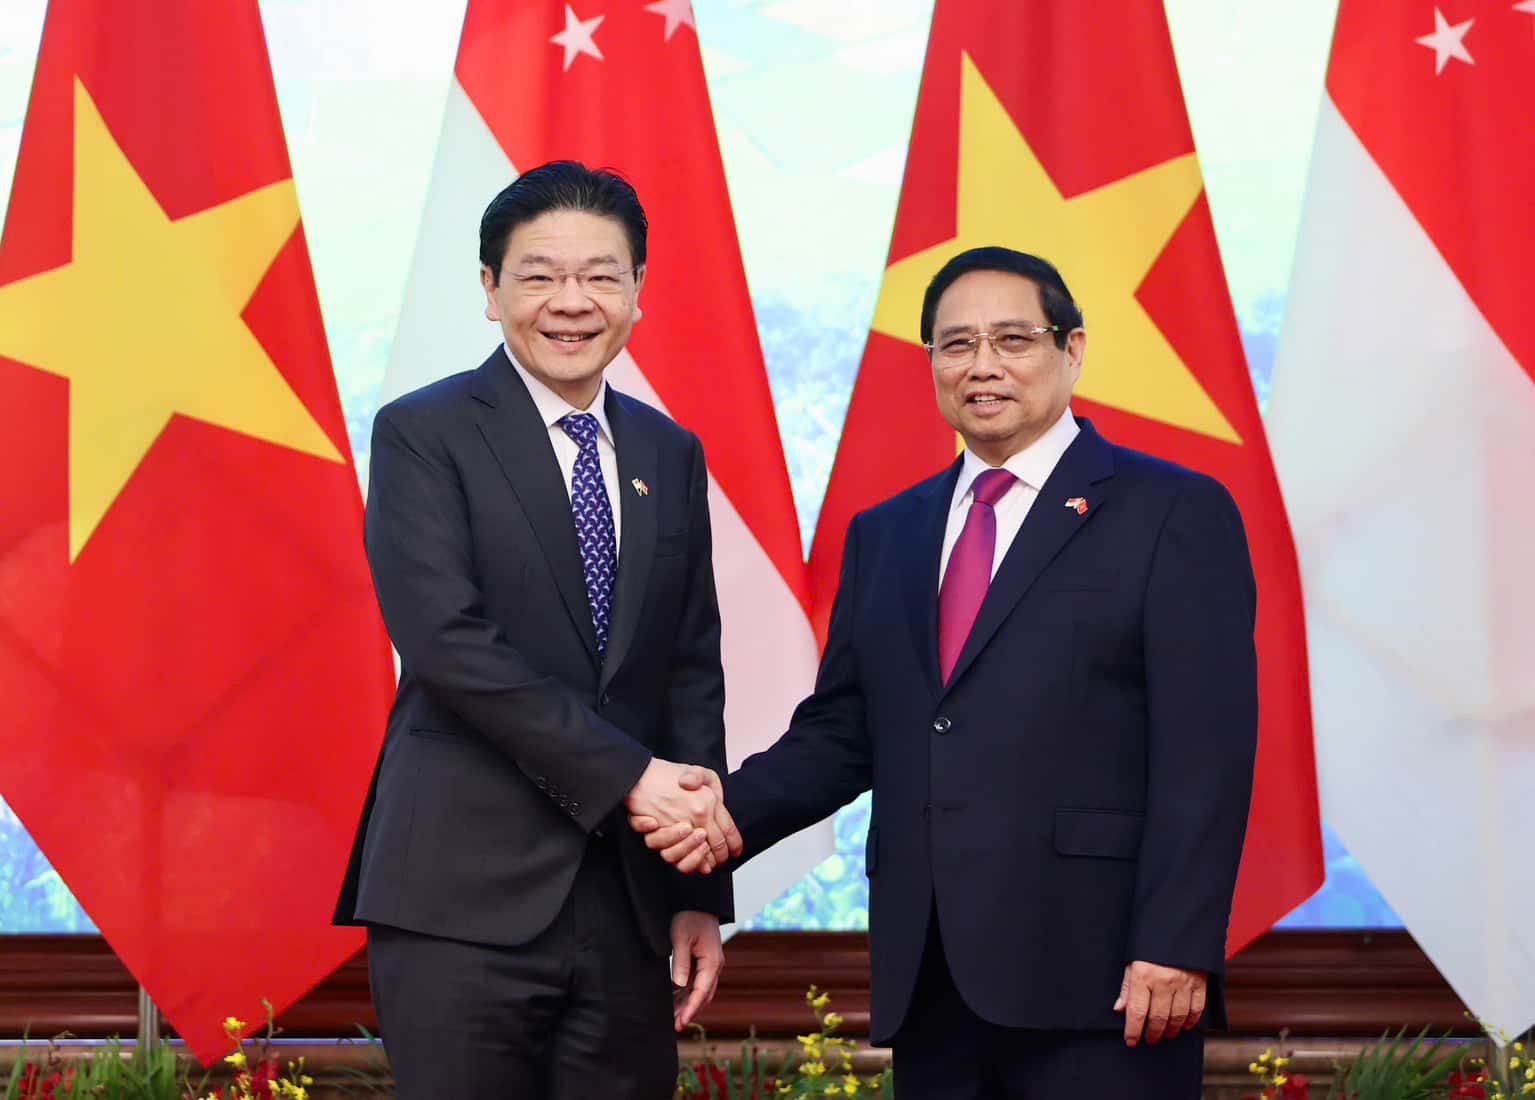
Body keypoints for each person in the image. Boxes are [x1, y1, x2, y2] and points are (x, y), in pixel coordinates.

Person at [639, 247, 1259, 1098]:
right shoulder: (889, 532)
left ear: (1071, 349)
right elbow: (845, 731)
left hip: (1107, 978)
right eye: (955, 344)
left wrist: (1178, 941)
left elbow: (1207, 752)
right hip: (931, 977)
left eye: (1013, 339)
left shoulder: (1170, 511)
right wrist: (713, 824)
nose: (983, 366)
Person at [334, 160, 742, 1100]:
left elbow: (688, 670)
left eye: (601, 275)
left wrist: (695, 891)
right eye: (540, 275)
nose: (572, 302)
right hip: (459, 896)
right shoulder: (423, 432)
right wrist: (632, 778)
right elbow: (447, 643)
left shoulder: (665, 450)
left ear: (638, 290)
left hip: (628, 904)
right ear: (490, 291)